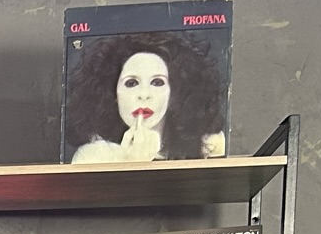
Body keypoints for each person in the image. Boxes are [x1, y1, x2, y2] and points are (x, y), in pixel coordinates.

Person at [65, 32, 226, 163]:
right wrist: (131, 163)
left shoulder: (209, 144)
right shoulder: (93, 156)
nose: (144, 95)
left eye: (157, 82)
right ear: (114, 94)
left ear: (174, 92)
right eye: (131, 83)